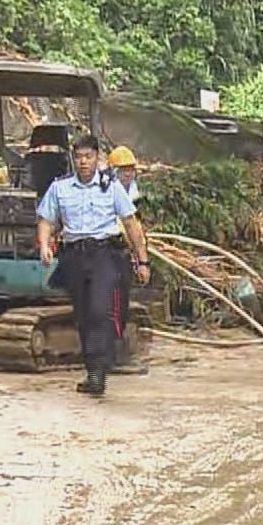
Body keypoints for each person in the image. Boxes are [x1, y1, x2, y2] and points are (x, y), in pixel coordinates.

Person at [37, 134, 149, 396]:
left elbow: (131, 223)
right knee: (84, 316)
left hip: (105, 255)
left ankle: (99, 373)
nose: (83, 162)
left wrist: (142, 260)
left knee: (100, 310)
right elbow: (46, 219)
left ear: (97, 158)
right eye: (78, 157)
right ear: (73, 159)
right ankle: (93, 371)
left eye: (88, 157)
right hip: (74, 256)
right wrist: (44, 245)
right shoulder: (60, 187)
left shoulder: (111, 187)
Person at [106, 145, 146, 375]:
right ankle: (114, 357)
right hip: (111, 256)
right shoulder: (108, 193)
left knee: (119, 308)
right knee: (114, 308)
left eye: (131, 170)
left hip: (122, 256)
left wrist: (139, 258)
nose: (128, 175)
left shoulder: (130, 194)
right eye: (123, 171)